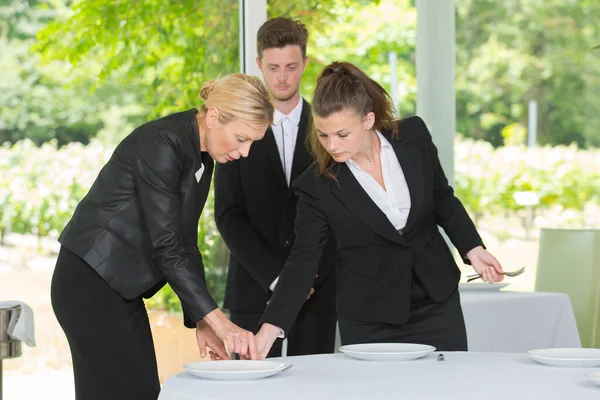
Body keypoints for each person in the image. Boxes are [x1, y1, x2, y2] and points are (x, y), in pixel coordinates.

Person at [254, 61, 504, 358]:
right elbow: (304, 260)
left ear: (368, 120)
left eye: (342, 134)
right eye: (323, 135)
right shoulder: (316, 185)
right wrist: (270, 327)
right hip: (369, 318)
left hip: (436, 303)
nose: (331, 145)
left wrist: (473, 248)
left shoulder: (414, 136)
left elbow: (441, 198)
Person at [50, 73, 274, 399]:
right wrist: (220, 322)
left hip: (117, 290)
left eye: (252, 142)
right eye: (242, 138)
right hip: (89, 285)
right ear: (213, 117)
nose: (245, 152)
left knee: (138, 392)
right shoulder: (163, 142)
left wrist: (203, 321)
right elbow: (167, 246)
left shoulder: (201, 156)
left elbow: (186, 242)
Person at [214, 17, 337, 358]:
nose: (282, 77)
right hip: (252, 290)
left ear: (305, 64)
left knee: (315, 390)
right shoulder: (235, 128)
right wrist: (276, 278)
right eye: (273, 67)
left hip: (319, 292)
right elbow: (228, 214)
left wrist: (306, 280)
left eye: (291, 67)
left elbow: (340, 213)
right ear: (259, 65)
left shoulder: (330, 131)